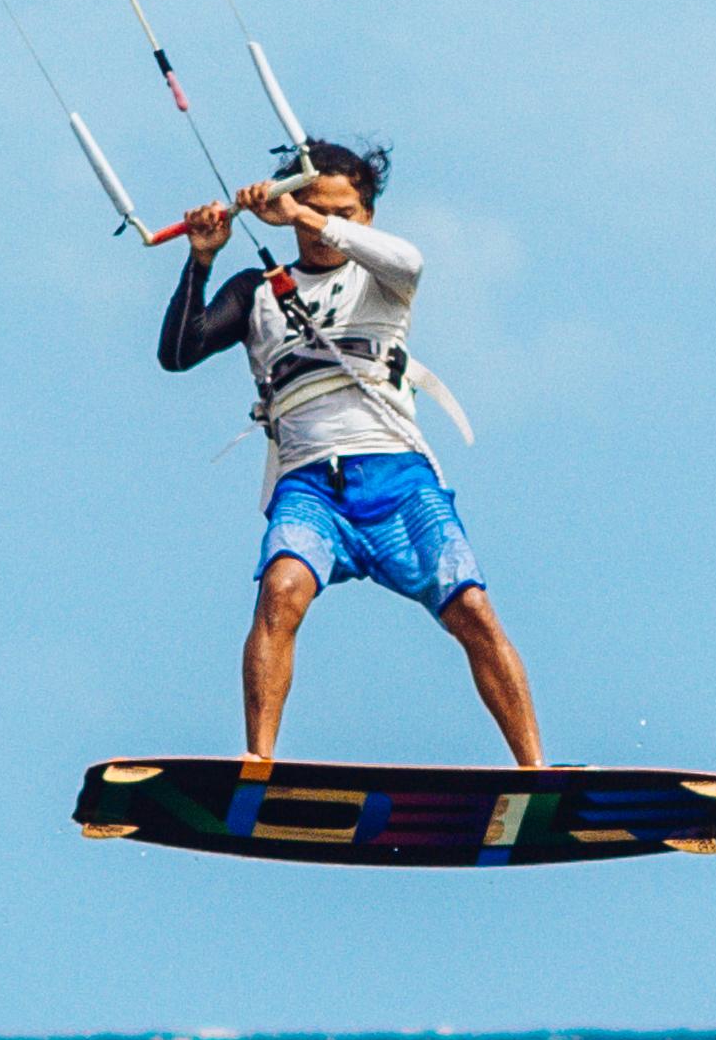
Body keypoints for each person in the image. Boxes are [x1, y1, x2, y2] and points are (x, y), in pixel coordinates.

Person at [157, 139, 544, 767]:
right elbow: (178, 353)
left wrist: (302, 215)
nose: (322, 227)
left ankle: (534, 769)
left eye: (341, 211)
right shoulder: (257, 290)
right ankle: (258, 762)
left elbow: (410, 259)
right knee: (280, 591)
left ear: (365, 214)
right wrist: (201, 260)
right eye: (309, 207)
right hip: (310, 487)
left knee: (471, 607)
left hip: (397, 476)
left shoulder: (384, 275)